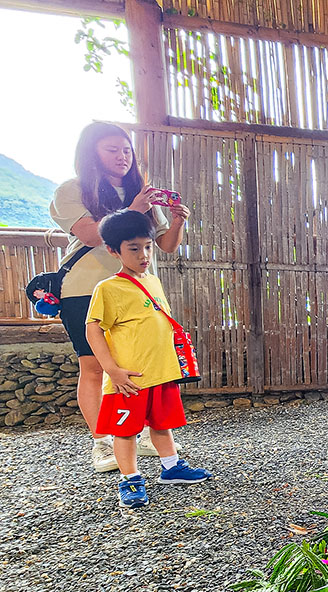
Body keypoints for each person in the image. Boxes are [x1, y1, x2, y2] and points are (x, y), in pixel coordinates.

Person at [50, 122, 190, 472]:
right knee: (95, 366)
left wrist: (177, 221)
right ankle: (103, 441)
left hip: (137, 291)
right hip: (87, 288)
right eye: (112, 149)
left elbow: (166, 246)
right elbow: (92, 235)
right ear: (91, 153)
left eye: (126, 150)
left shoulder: (141, 192)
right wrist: (133, 206)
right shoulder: (73, 190)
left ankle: (140, 432)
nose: (122, 156)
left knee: (143, 364)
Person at [85, 210, 212, 508]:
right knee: (126, 431)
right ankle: (129, 479)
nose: (143, 254)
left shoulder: (152, 280)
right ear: (113, 250)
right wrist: (113, 370)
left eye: (147, 246)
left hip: (161, 372)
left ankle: (171, 467)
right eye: (133, 248)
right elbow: (93, 331)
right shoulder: (108, 288)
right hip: (128, 379)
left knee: (162, 423)